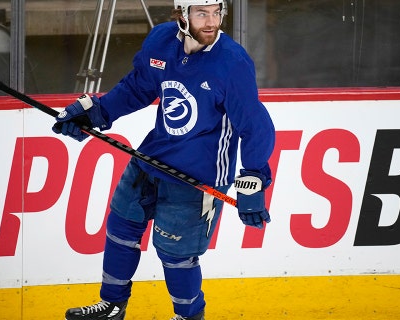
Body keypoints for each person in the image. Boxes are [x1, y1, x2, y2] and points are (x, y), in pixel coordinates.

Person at [52, 0, 275, 319]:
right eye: (201, 13)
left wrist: (254, 175)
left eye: (216, 13)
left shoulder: (232, 62)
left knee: (176, 254)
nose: (211, 21)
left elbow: (253, 123)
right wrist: (97, 113)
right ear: (182, 15)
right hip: (152, 160)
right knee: (120, 227)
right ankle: (113, 305)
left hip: (198, 178)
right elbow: (137, 88)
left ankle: (188, 315)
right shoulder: (160, 41)